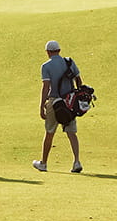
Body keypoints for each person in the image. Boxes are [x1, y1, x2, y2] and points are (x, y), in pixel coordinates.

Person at [34, 38, 83, 174]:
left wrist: (41, 106)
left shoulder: (46, 66)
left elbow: (46, 87)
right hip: (69, 102)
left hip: (54, 102)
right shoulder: (69, 62)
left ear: (48, 52)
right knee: (71, 132)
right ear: (59, 50)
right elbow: (79, 80)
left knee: (49, 132)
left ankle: (43, 163)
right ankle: (77, 161)